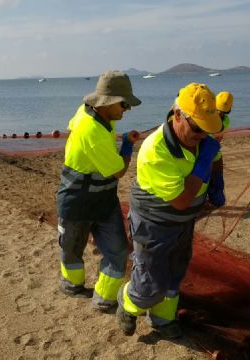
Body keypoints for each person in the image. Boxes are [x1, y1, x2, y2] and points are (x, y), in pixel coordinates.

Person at [115, 83, 223, 338]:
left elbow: (215, 158)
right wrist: (205, 160)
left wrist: (218, 186)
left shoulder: (200, 140)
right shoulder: (155, 151)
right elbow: (183, 199)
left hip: (183, 222)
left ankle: (162, 320)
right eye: (197, 129)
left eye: (208, 132)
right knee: (149, 283)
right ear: (177, 116)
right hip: (154, 223)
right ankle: (127, 302)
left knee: (176, 270)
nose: (202, 137)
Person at [56, 70, 141, 312]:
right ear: (108, 103)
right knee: (72, 249)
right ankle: (72, 285)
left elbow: (77, 124)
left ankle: (104, 299)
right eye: (124, 104)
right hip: (76, 201)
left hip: (104, 201)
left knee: (117, 251)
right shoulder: (91, 131)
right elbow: (119, 171)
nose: (127, 109)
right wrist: (127, 146)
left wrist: (122, 138)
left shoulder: (92, 112)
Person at [206, 91, 234, 208]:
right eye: (217, 110)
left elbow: (218, 139)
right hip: (203, 155)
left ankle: (214, 199)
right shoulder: (205, 116)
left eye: (221, 112)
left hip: (213, 155)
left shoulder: (225, 121)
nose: (219, 113)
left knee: (218, 192)